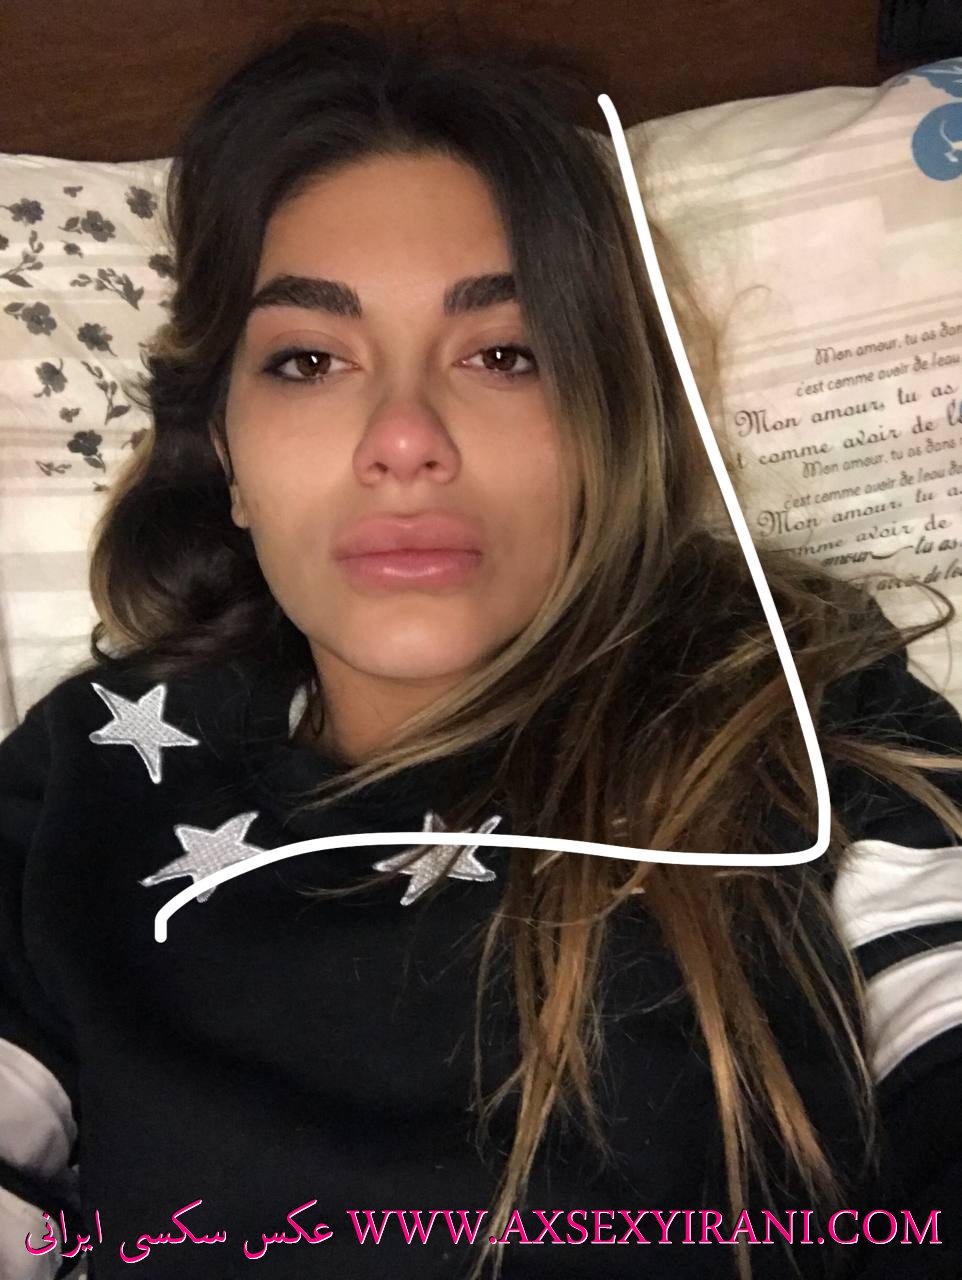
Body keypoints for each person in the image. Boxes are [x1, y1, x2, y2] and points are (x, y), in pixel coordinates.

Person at [1, 18, 961, 1280]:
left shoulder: (801, 711)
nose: (404, 437)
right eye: (308, 359)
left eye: (503, 355)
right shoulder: (86, 775)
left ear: (606, 422)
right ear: (224, 453)